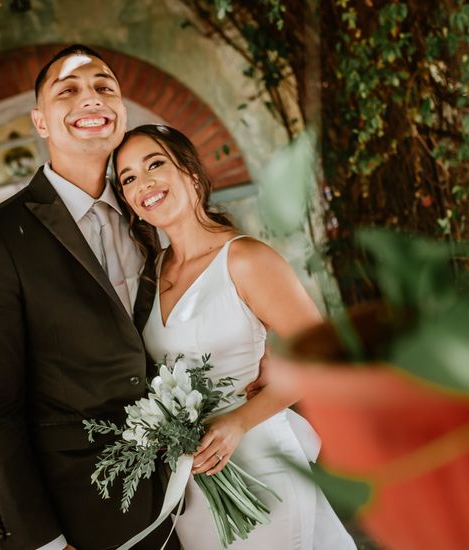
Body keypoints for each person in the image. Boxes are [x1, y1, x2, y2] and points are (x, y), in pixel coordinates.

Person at [0, 45, 179, 550]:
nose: (90, 99)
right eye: (68, 91)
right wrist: (43, 540)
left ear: (121, 111)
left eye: (104, 88)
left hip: (187, 489)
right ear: (40, 121)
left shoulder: (152, 208)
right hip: (85, 513)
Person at [113, 124, 357, 549]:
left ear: (190, 173)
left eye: (155, 164)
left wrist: (238, 421)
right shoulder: (148, 275)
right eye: (129, 177)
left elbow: (326, 355)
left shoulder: (245, 259)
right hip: (192, 485)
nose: (143, 182)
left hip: (262, 466)